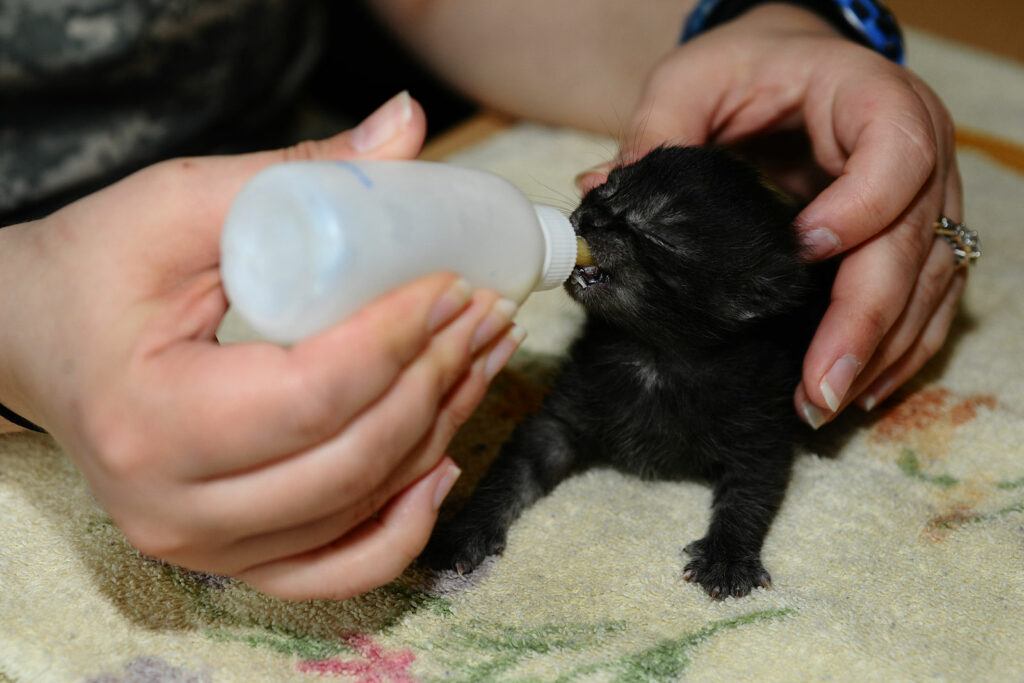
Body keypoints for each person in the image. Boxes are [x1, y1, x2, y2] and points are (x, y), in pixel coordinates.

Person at [0, 0, 965, 600]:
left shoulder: (738, 351)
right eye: (608, 200)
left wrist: (765, 16)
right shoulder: (617, 349)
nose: (592, 214)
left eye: (636, 227)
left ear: (742, 302)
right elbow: (549, 438)